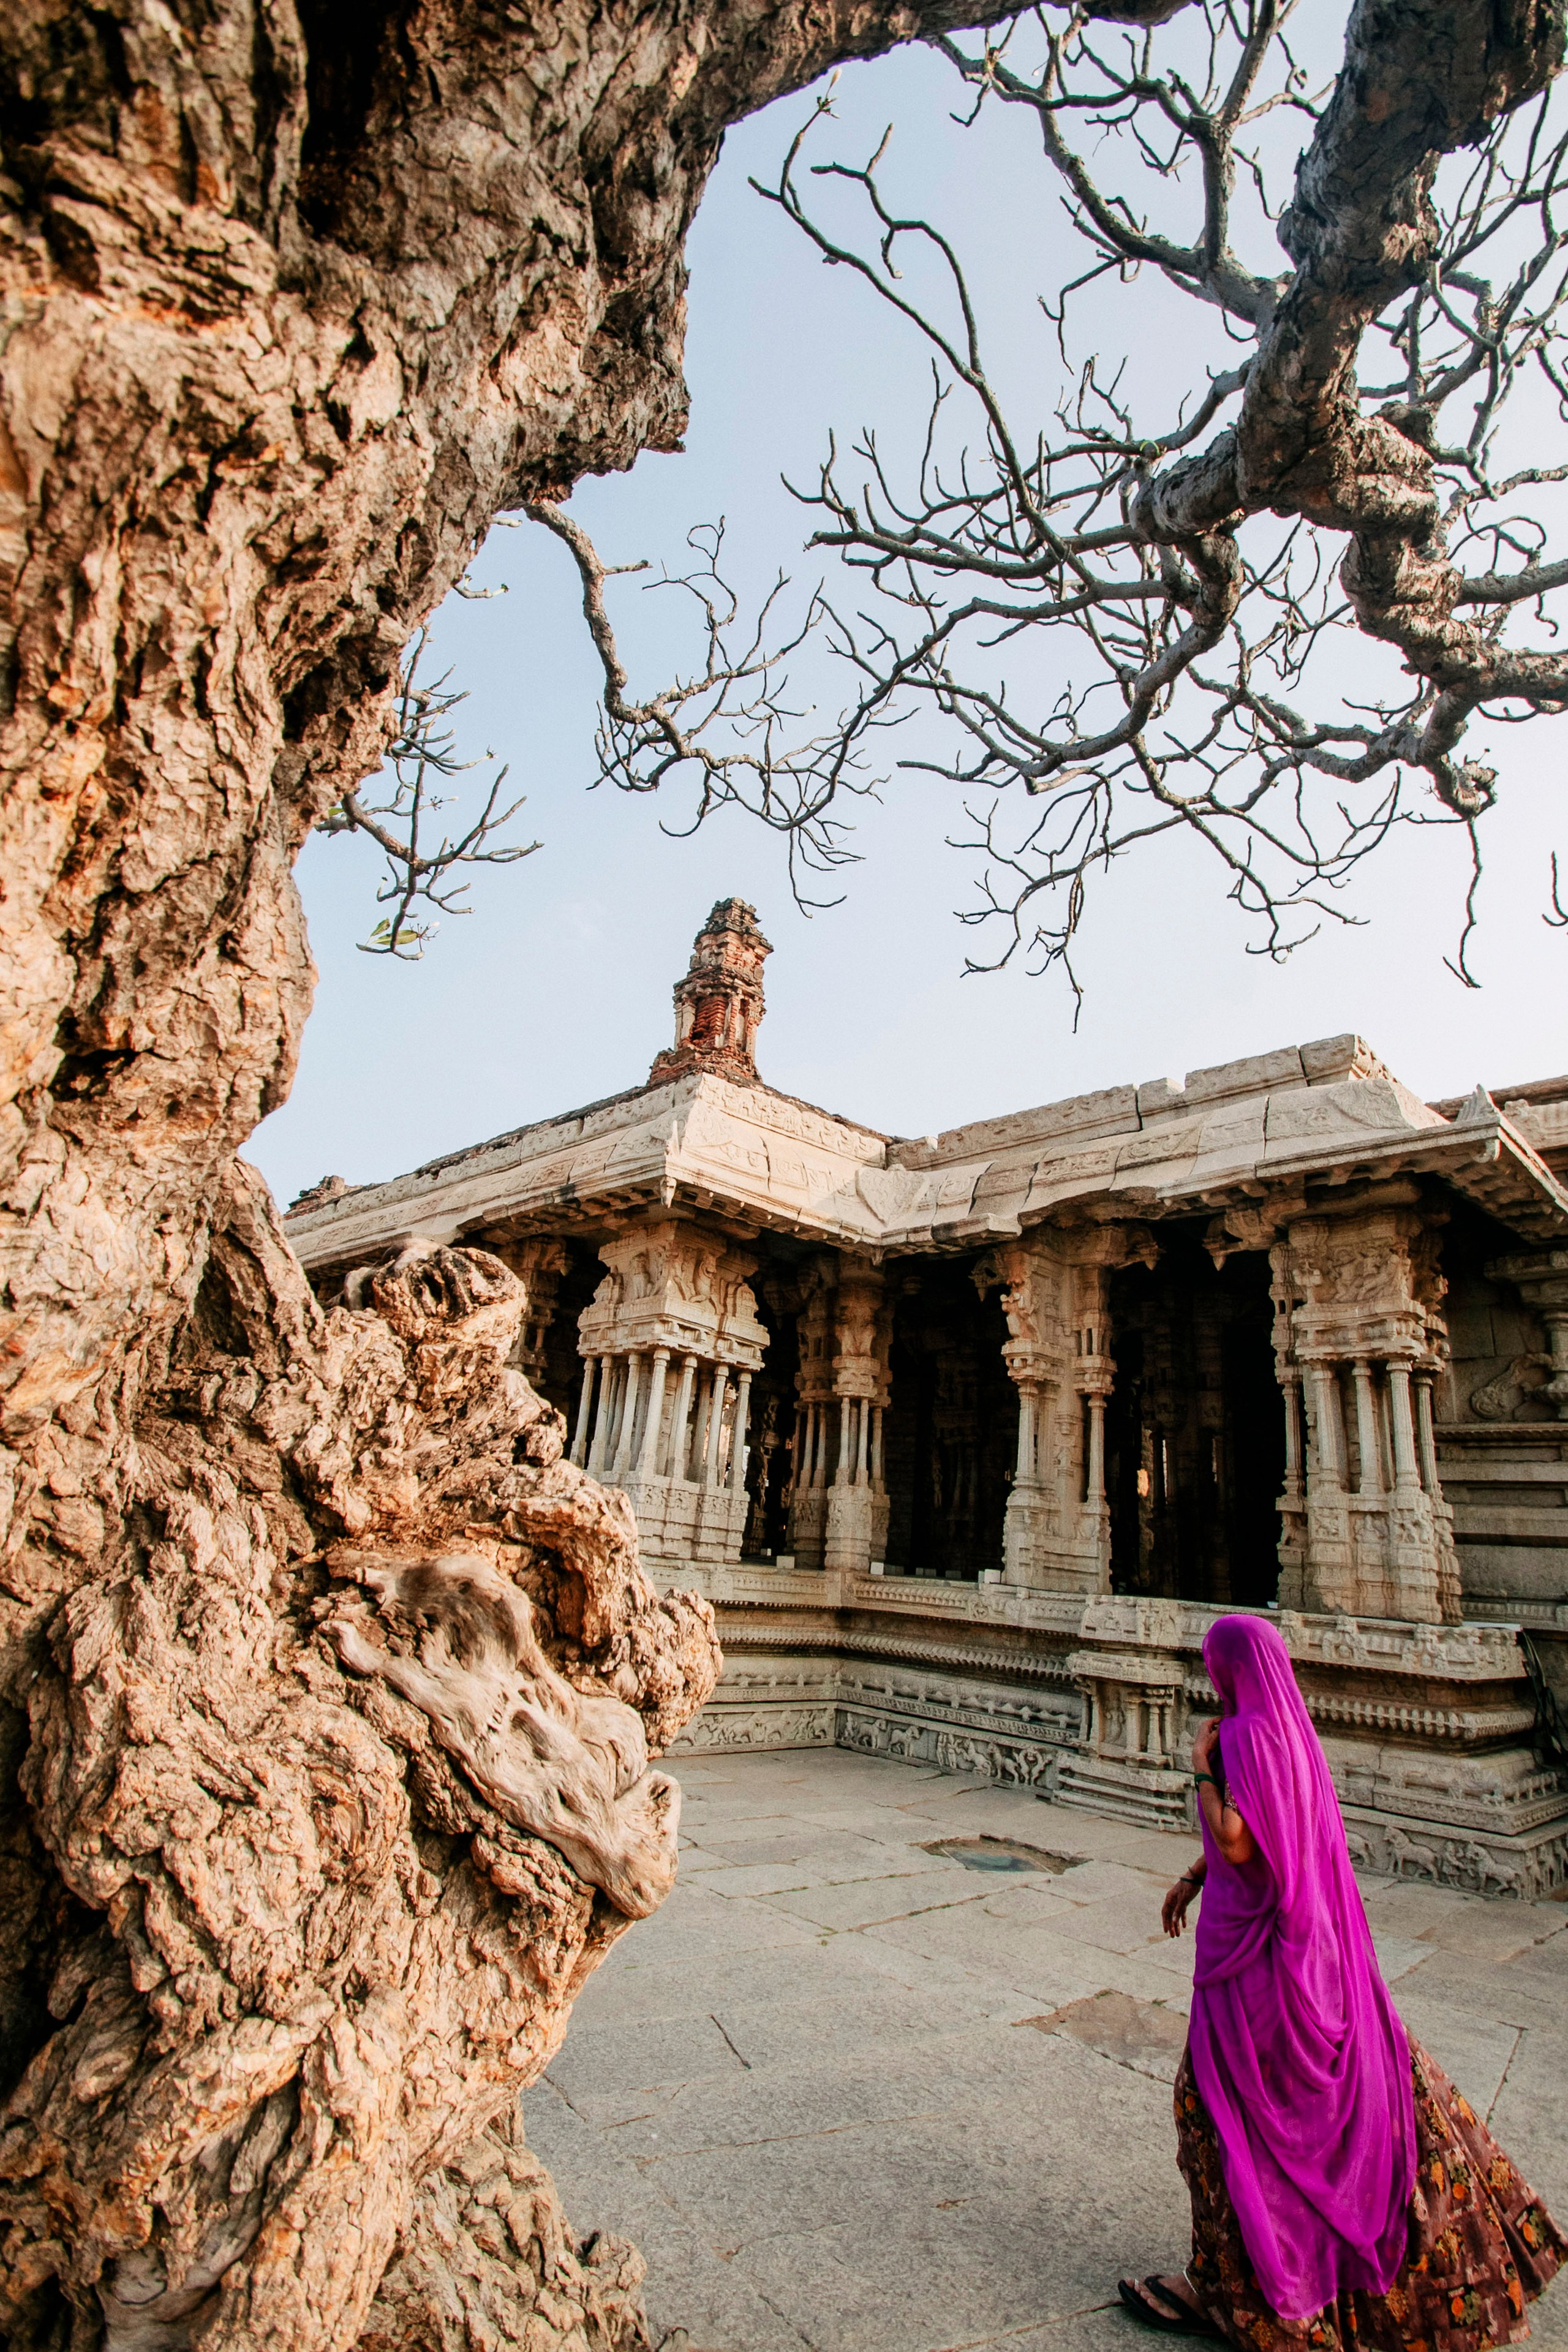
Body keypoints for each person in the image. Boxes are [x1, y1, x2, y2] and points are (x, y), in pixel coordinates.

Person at [1117, 1613, 1565, 2347]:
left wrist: (1199, 1763)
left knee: (1216, 2115)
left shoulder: (1238, 1737)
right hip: (1315, 1960)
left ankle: (1226, 2288)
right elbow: (1282, 1830)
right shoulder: (1293, 1734)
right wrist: (1195, 1875)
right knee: (1340, 2110)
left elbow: (1237, 1837)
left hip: (1257, 1973)